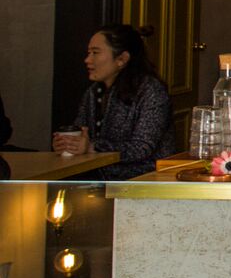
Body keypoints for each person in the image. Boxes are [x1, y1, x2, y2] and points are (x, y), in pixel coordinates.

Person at [53, 24, 176, 180]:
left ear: (122, 59)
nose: (87, 60)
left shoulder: (151, 91)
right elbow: (82, 129)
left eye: (95, 53)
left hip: (142, 180)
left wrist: (93, 147)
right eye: (88, 53)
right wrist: (69, 143)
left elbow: (142, 147)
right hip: (98, 177)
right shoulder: (93, 92)